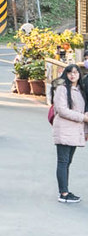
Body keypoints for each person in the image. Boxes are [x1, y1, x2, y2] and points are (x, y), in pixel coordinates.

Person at [52, 64, 88, 203]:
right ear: (65, 75)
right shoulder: (62, 89)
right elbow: (62, 110)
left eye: (75, 73)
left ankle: (65, 190)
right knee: (63, 161)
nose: (72, 75)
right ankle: (63, 193)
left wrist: (85, 130)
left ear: (79, 74)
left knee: (67, 162)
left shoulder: (80, 90)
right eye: (69, 73)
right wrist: (82, 118)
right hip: (64, 129)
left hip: (75, 131)